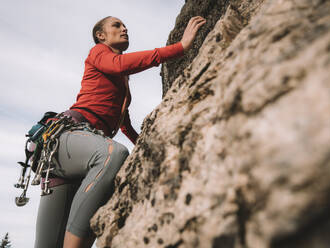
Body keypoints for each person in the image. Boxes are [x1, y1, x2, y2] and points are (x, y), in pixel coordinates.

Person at [33, 15, 206, 248]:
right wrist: (180, 48)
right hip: (67, 138)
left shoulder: (121, 79)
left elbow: (123, 124)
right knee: (112, 154)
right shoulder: (99, 53)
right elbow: (120, 64)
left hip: (83, 152)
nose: (124, 28)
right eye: (117, 25)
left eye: (125, 26)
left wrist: (145, 145)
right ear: (100, 36)